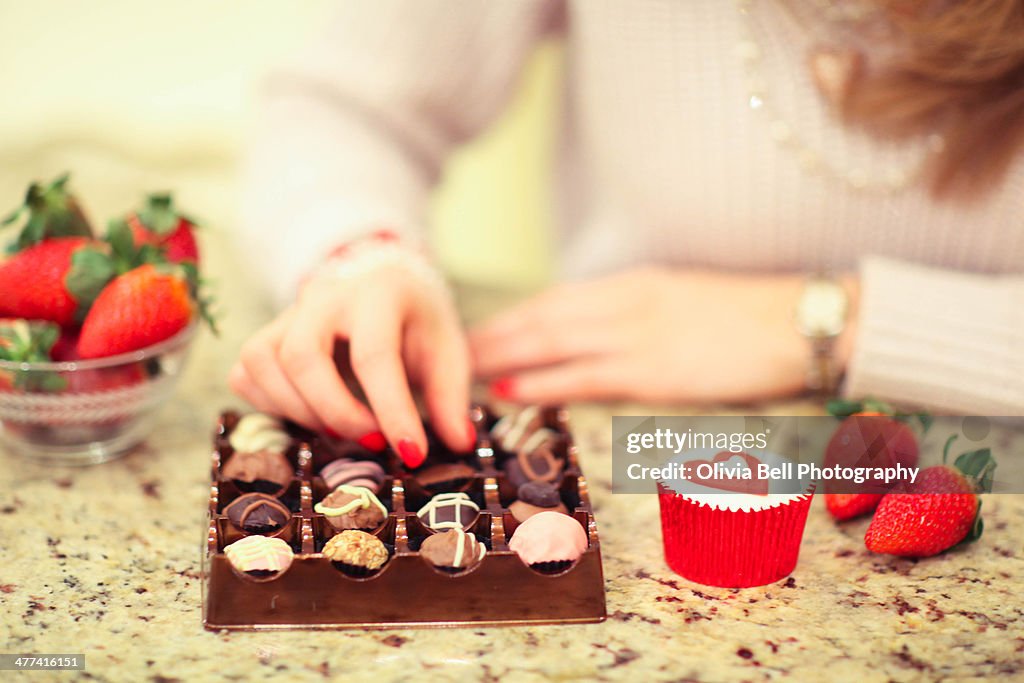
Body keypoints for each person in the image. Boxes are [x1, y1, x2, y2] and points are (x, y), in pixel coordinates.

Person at [231, 0, 1024, 466]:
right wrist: (363, 254)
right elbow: (338, 107)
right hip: (641, 453)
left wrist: (828, 320)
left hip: (994, 464)